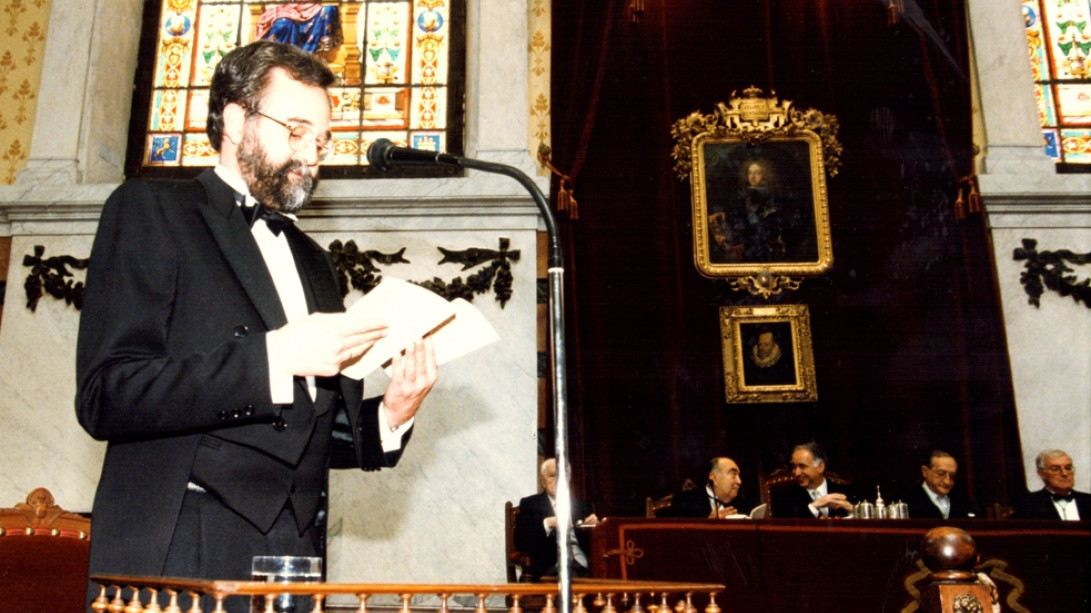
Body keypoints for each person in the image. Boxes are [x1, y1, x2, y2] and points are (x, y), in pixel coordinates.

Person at [75, 41, 438, 611]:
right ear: (234, 120)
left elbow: (302, 433)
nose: (311, 155)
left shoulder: (315, 261)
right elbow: (106, 394)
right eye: (295, 131)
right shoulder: (152, 209)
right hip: (180, 546)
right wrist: (274, 358)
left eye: (321, 140)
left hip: (293, 557)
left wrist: (392, 414)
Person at [513, 458, 599, 580]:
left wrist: (594, 528)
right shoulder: (530, 504)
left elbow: (593, 544)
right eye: (552, 476)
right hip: (550, 567)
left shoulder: (582, 506)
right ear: (543, 481)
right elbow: (520, 542)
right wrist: (547, 524)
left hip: (584, 566)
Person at [770, 442, 854, 518]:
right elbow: (788, 526)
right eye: (794, 467)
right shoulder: (784, 496)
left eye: (802, 466)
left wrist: (851, 509)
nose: (796, 473)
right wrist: (814, 506)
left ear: (820, 467)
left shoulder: (843, 491)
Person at [661, 456, 753, 519]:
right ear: (714, 478)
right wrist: (709, 523)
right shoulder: (685, 501)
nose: (739, 481)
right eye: (733, 475)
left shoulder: (743, 505)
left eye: (739, 476)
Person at [1013, 449, 1091, 520]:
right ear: (1041, 473)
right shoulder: (1027, 504)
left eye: (1068, 468)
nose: (1064, 473)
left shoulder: (1088, 500)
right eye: (1055, 469)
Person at [899, 450, 978, 519]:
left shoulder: (963, 502)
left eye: (952, 476)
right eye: (941, 474)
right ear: (925, 472)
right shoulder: (906, 500)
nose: (947, 481)